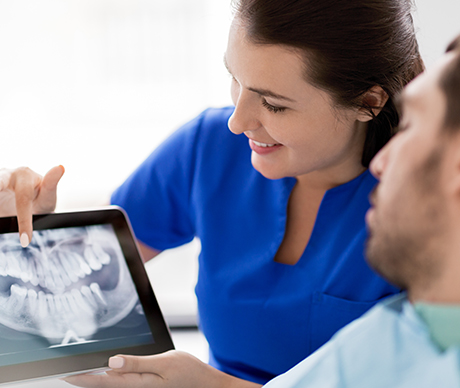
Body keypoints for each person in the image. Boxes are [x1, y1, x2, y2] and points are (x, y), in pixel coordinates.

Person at [0, 0, 424, 384]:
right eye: (234, 79)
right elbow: (73, 300)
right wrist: (22, 239)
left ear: (368, 102)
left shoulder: (431, 204)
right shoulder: (208, 148)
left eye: (274, 104)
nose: (237, 122)